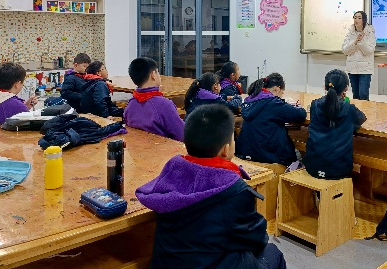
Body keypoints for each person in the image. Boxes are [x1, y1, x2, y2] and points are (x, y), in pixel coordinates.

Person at [135, 104, 286, 269]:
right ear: (226, 149)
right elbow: (255, 239)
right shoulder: (232, 191)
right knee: (273, 253)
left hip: (166, 263)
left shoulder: (171, 173)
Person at [305, 69, 366, 179]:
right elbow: (361, 119)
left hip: (312, 168)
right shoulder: (349, 108)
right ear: (346, 88)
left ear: (325, 87)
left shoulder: (314, 105)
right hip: (339, 170)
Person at [235, 73, 306, 166]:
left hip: (246, 153)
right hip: (268, 157)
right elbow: (301, 115)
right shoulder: (274, 103)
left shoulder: (251, 100)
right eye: (282, 93)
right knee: (299, 155)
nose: (281, 96)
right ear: (277, 89)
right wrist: (299, 107)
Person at [123, 57, 184, 142]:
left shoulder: (130, 105)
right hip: (164, 149)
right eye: (157, 72)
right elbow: (182, 135)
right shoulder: (164, 105)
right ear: (153, 75)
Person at [342, 10, 376, 100]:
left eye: (359, 18)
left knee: (363, 95)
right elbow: (345, 50)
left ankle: (365, 110)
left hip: (365, 70)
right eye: (355, 17)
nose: (356, 20)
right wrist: (354, 42)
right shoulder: (350, 33)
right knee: (356, 96)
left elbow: (369, 51)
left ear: (364, 20)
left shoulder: (370, 33)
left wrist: (360, 42)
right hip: (352, 69)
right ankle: (356, 110)